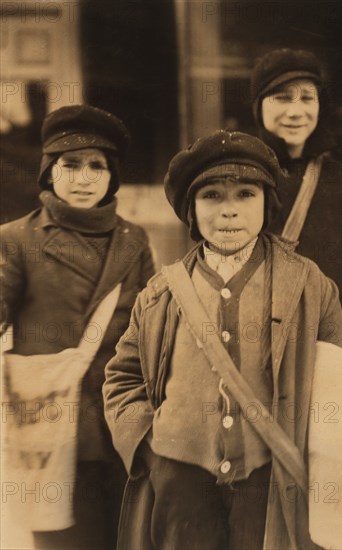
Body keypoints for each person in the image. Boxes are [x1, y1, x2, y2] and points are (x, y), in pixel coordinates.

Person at [103, 130, 342, 549]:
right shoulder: (160, 295)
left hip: (270, 480)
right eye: (212, 197)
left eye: (244, 195)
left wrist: (313, 457)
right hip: (180, 483)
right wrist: (150, 447)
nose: (229, 212)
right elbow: (122, 379)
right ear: (191, 208)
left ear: (267, 203)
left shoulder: (309, 285)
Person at [0, 105, 155, 549]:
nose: (84, 178)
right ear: (49, 171)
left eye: (97, 166)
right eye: (70, 165)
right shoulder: (17, 240)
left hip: (124, 429)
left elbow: (154, 329)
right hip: (51, 434)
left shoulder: (134, 239)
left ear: (112, 177)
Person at [250, 48, 342, 320]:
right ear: (259, 105)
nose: (296, 112)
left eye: (307, 98)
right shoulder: (240, 176)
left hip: (333, 341)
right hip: (258, 336)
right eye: (282, 98)